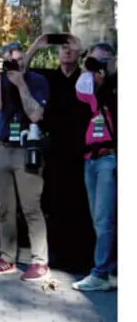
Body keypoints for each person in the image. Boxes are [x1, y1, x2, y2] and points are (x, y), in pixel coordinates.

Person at [24, 33, 94, 271]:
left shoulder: (85, 78)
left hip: (80, 150)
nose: (67, 51)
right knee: (54, 202)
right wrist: (37, 45)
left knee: (80, 203)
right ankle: (57, 257)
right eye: (63, 48)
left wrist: (84, 52)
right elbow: (20, 70)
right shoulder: (49, 77)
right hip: (53, 149)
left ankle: (82, 259)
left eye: (72, 48)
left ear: (78, 53)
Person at [0, 42, 50, 280]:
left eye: (20, 59)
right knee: (5, 209)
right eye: (11, 60)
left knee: (31, 208)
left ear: (26, 59)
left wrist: (20, 82)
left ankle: (40, 262)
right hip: (3, 149)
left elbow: (35, 114)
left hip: (26, 149)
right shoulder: (1, 82)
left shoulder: (37, 80)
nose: (17, 63)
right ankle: (7, 259)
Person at [72, 43, 117, 292]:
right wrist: (89, 66)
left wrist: (108, 72)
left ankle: (101, 273)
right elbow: (81, 91)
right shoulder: (89, 90)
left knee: (104, 219)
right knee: (99, 219)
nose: (94, 68)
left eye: (101, 62)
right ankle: (106, 270)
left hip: (108, 160)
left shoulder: (115, 88)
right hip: (90, 159)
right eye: (92, 62)